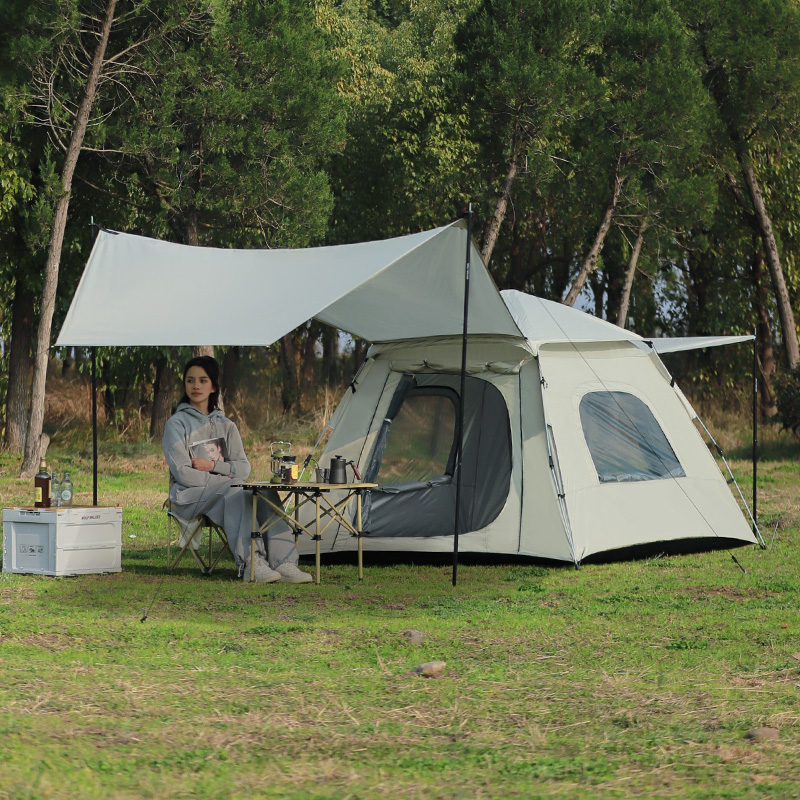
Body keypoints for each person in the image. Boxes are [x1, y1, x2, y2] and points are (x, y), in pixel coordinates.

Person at [162, 355, 312, 584]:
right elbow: (183, 473)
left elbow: (244, 469)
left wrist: (214, 466)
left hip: (224, 492)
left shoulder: (226, 425)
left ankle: (286, 563)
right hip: (188, 496)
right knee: (234, 488)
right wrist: (227, 479)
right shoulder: (176, 424)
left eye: (203, 380)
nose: (196, 386)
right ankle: (253, 563)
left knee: (263, 492)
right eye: (190, 380)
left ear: (213, 386)